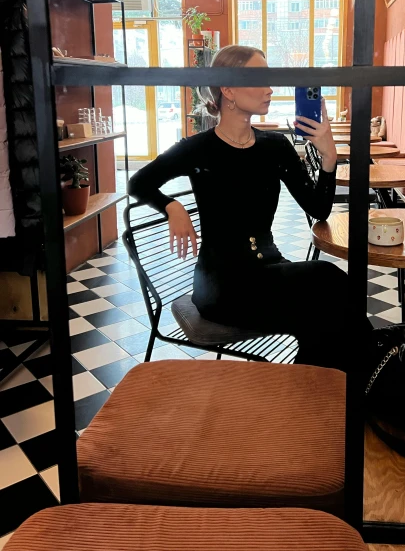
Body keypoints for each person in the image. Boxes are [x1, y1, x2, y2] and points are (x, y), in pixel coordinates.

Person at [128, 44, 372, 372]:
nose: (270, 89)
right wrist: (171, 206)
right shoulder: (197, 149)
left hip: (269, 273)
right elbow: (138, 183)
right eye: (259, 79)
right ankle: (367, 383)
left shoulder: (276, 147)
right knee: (327, 283)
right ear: (227, 89)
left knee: (326, 313)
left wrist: (329, 158)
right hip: (221, 287)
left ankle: (325, 391)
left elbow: (318, 208)